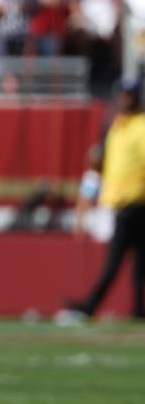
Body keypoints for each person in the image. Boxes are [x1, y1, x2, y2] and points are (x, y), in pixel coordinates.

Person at [63, 79, 145, 320]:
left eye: (129, 95)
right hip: (120, 205)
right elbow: (98, 167)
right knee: (133, 261)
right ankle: (136, 309)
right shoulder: (114, 126)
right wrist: (84, 203)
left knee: (123, 261)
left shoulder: (140, 126)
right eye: (122, 94)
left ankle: (92, 306)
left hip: (137, 203)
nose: (124, 99)